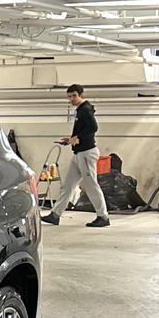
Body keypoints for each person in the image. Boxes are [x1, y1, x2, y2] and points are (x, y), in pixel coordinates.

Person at [41, 84, 110, 228]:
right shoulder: (80, 110)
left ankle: (103, 216)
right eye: (69, 96)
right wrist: (71, 140)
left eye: (74, 96)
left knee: (91, 185)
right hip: (79, 153)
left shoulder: (85, 109)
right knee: (68, 186)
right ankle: (55, 214)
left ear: (81, 95)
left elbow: (93, 127)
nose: (71, 99)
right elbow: (84, 130)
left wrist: (77, 137)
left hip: (87, 153)